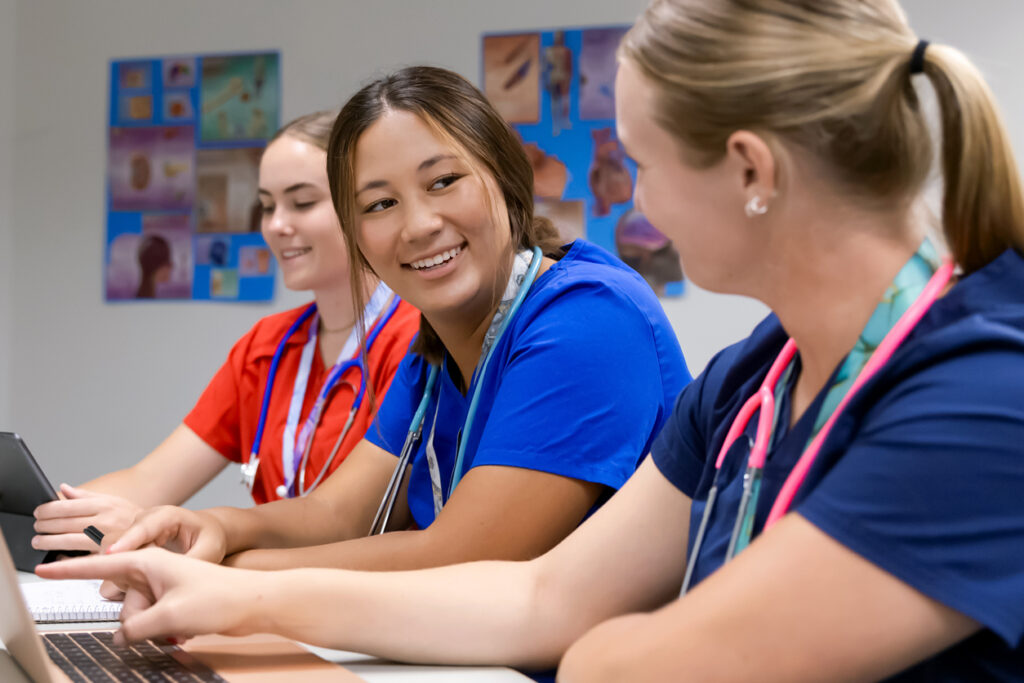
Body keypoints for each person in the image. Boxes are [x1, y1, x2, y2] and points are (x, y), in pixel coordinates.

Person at [53, 1, 1024, 674]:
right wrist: (238, 593)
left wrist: (602, 646)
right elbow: (543, 599)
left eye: (637, 163)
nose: (630, 202)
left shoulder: (981, 397)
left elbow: (622, 655)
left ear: (748, 169)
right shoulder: (749, 380)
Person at [59, 66, 690, 575]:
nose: (417, 225)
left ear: (505, 177)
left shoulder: (588, 319)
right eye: (380, 204)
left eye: (443, 181)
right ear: (357, 233)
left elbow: (467, 556)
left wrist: (227, 574)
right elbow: (338, 513)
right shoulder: (436, 351)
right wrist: (215, 528)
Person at [33, 111, 421, 551]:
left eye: (303, 202)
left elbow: (347, 520)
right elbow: (151, 479)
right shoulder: (268, 348)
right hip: (263, 592)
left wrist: (164, 531)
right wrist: (43, 523)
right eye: (268, 206)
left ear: (363, 205)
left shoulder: (419, 339)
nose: (276, 225)